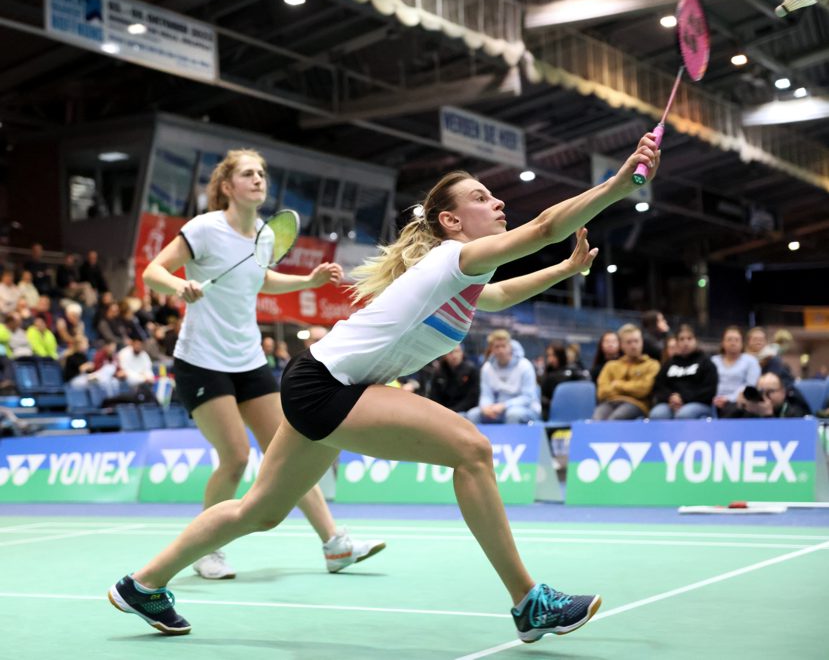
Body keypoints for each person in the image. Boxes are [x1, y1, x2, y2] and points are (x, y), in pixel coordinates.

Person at [108, 133, 659, 639]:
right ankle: (527, 601)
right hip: (328, 386)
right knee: (472, 450)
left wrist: (564, 271)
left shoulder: (462, 277)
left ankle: (142, 584)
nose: (497, 204)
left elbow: (499, 297)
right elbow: (542, 227)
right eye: (483, 197)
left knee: (259, 511)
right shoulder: (456, 258)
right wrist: (616, 184)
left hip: (317, 381)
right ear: (451, 221)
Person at [127, 149, 383, 581]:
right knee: (236, 457)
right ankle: (207, 550)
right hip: (202, 360)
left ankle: (335, 544)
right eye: (248, 174)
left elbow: (261, 277)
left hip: (248, 359)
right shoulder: (203, 229)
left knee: (294, 447)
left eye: (262, 173)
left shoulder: (265, 235)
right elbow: (153, 271)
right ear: (227, 186)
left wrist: (308, 280)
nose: (258, 180)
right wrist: (179, 285)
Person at [466, 329, 542, 424]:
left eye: (503, 346)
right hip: (497, 408)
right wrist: (485, 408)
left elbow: (527, 398)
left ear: (510, 346)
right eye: (497, 347)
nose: (500, 350)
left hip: (526, 408)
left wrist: (504, 405)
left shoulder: (525, 365)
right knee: (473, 414)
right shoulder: (487, 368)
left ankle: (513, 439)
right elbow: (486, 394)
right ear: (491, 349)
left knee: (512, 414)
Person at [649, 324, 717, 419]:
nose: (686, 342)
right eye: (682, 339)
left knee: (683, 415)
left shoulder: (706, 363)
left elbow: (709, 391)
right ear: (677, 343)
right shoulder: (669, 363)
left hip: (699, 403)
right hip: (670, 403)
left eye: (689, 339)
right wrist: (670, 397)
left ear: (696, 341)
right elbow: (659, 386)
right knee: (657, 414)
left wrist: (683, 398)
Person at [593, 324, 660, 420]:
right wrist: (631, 387)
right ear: (622, 345)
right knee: (597, 419)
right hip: (609, 403)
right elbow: (601, 393)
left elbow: (643, 390)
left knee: (616, 418)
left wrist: (617, 385)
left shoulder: (652, 365)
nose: (633, 346)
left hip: (636, 404)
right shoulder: (611, 366)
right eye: (629, 342)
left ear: (642, 342)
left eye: (636, 341)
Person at [711, 326, 761, 417]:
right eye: (729, 339)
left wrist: (729, 398)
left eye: (736, 340)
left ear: (742, 343)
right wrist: (714, 399)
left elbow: (750, 386)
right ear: (723, 342)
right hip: (712, 401)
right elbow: (707, 383)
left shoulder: (751, 361)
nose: (733, 343)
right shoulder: (713, 361)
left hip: (738, 402)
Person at [721, 371, 811, 419]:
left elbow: (785, 440)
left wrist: (768, 415)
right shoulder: (754, 407)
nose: (764, 397)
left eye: (770, 392)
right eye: (761, 392)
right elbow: (724, 428)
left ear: (783, 392)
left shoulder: (794, 411)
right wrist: (739, 407)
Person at [539, 342, 590, 419]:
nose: (550, 359)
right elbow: (543, 397)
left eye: (553, 355)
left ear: (560, 355)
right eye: (548, 355)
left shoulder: (572, 371)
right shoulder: (547, 375)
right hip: (552, 411)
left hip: (572, 409)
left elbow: (585, 386)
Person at [427, 344, 480, 415]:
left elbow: (472, 398)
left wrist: (453, 411)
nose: (454, 356)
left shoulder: (471, 370)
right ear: (444, 355)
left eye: (457, 351)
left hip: (463, 411)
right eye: (450, 352)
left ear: (462, 353)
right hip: (442, 411)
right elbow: (433, 396)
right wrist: (442, 411)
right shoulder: (438, 372)